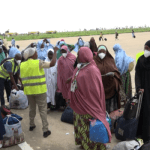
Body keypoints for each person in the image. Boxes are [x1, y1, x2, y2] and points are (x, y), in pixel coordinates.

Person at [69, 47, 111, 150]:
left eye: (79, 55)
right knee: (82, 127)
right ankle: (84, 144)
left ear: (84, 55)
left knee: (91, 128)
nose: (77, 57)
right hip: (79, 106)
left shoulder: (91, 69)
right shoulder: (80, 67)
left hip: (89, 106)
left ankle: (93, 146)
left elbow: (95, 91)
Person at [21, 47, 58, 137]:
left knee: (32, 108)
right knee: (42, 110)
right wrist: (55, 52)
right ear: (32, 54)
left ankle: (31, 125)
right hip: (40, 90)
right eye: (36, 52)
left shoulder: (22, 64)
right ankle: (45, 130)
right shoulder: (39, 62)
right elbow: (52, 64)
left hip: (29, 91)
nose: (37, 53)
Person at [93, 45, 121, 113]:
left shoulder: (110, 60)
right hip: (98, 86)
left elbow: (116, 71)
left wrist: (113, 74)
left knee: (110, 107)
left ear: (106, 52)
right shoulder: (93, 60)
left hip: (110, 86)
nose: (102, 53)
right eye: (100, 52)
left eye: (103, 52)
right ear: (97, 52)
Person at [135, 40, 150, 143]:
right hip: (143, 93)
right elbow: (137, 76)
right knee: (144, 113)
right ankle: (144, 135)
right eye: (145, 48)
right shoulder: (140, 60)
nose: (146, 51)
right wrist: (139, 87)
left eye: (148, 49)